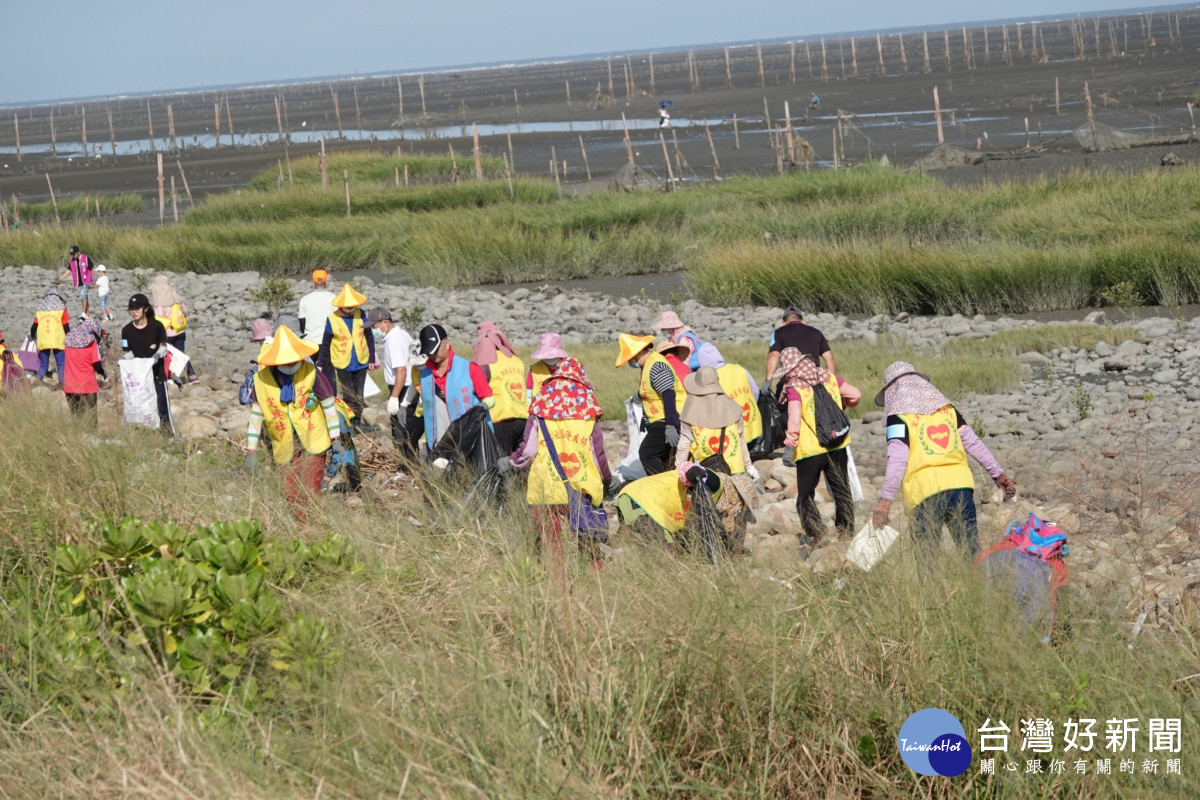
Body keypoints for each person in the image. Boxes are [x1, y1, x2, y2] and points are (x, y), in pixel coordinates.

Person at [871, 362, 1017, 561]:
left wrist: (885, 501)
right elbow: (973, 443)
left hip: (925, 494)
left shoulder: (898, 418)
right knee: (972, 556)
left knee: (927, 561)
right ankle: (980, 589)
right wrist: (999, 476)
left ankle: (935, 593)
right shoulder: (947, 410)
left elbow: (897, 459)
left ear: (892, 391)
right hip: (961, 489)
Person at [503, 357, 611, 564]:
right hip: (582, 486)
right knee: (589, 545)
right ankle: (595, 590)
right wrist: (606, 479)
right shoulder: (588, 405)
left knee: (553, 547)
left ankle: (557, 589)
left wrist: (512, 462)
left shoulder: (541, 401)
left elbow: (528, 450)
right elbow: (598, 455)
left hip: (545, 487)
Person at [243, 326, 346, 517]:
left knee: (311, 490)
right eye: (287, 362)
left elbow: (328, 406)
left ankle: (313, 529)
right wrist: (251, 452)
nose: (292, 365)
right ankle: (300, 532)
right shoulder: (260, 380)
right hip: (283, 444)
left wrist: (336, 440)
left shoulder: (311, 372)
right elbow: (256, 416)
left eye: (295, 361)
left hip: (313, 439)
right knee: (291, 493)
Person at [775, 347, 854, 543]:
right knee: (841, 489)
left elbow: (794, 417)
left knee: (805, 495)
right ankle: (845, 533)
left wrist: (790, 440)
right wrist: (844, 406)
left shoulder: (794, 386)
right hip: (837, 443)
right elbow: (855, 394)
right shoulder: (829, 377)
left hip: (810, 450)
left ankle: (817, 535)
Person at [674, 367, 760, 545]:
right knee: (736, 512)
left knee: (707, 514)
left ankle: (712, 552)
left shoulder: (690, 412)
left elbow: (684, 444)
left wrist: (678, 467)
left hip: (707, 474)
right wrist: (748, 465)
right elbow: (741, 440)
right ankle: (734, 550)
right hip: (735, 472)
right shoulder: (733, 408)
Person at [416, 323, 493, 455]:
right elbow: (428, 410)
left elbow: (489, 398)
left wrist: (482, 406)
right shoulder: (424, 375)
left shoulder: (469, 368)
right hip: (439, 444)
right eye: (428, 351)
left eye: (435, 349)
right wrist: (429, 443)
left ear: (446, 343)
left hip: (470, 440)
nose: (432, 354)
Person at [614, 332, 685, 477]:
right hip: (658, 421)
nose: (630, 363)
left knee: (648, 453)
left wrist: (671, 425)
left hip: (667, 419)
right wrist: (641, 406)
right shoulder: (647, 366)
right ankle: (671, 487)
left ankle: (662, 486)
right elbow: (650, 392)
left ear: (639, 352)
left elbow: (668, 393)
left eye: (630, 358)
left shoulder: (656, 365)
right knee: (666, 459)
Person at [318, 284, 376, 432]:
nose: (351, 309)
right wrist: (320, 363)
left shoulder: (361, 314)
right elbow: (326, 343)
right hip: (343, 362)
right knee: (349, 394)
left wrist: (371, 358)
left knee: (360, 394)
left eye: (353, 306)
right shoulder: (332, 319)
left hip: (361, 361)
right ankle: (349, 423)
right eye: (348, 306)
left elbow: (369, 336)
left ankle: (357, 421)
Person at [366, 306, 416, 458]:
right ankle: (409, 462)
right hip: (408, 387)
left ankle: (405, 465)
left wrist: (394, 397)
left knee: (401, 431)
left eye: (374, 327)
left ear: (385, 322)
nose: (373, 331)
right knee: (408, 429)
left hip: (402, 389)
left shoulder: (393, 341)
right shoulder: (402, 334)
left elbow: (401, 370)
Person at [472, 321, 527, 455]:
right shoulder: (516, 360)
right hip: (523, 418)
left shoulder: (485, 364)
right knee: (520, 462)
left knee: (501, 462)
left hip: (500, 419)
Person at [121, 292, 171, 430]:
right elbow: (129, 352)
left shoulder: (157, 326)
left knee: (162, 406)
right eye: (131, 309)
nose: (133, 312)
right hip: (139, 376)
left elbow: (163, 346)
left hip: (156, 374)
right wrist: (123, 359)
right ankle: (142, 432)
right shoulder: (126, 330)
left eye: (137, 308)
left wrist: (156, 356)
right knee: (138, 406)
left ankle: (167, 433)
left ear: (146, 309)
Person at [764, 307, 835, 391]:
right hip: (814, 379)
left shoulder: (777, 333)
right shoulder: (816, 332)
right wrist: (831, 382)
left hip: (791, 381)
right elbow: (829, 357)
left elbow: (773, 355)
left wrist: (768, 381)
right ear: (802, 321)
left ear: (783, 323)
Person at [150, 274, 197, 384]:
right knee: (181, 353)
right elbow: (185, 311)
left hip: (167, 334)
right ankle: (192, 375)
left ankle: (168, 376)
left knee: (166, 355)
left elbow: (158, 320)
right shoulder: (176, 300)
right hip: (180, 331)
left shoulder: (159, 305)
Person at [62, 317, 107, 423]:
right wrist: (104, 373)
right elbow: (96, 365)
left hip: (70, 386)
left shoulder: (68, 342)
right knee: (91, 418)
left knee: (76, 418)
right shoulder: (91, 344)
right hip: (87, 386)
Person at [653, 310, 725, 371]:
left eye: (664, 329)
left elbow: (685, 361)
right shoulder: (677, 337)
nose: (662, 330)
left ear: (671, 328)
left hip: (706, 367)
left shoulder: (684, 339)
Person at [715, 361, 763, 448]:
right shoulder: (739, 369)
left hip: (730, 434)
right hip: (754, 427)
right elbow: (755, 392)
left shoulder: (713, 376)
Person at [31, 289, 70, 383]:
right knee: (61, 363)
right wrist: (68, 338)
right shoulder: (61, 308)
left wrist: (33, 337)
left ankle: (37, 381)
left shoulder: (41, 308)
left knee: (44, 364)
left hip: (44, 339)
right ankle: (62, 383)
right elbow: (66, 326)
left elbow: (34, 326)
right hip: (58, 339)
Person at [526, 332, 568, 402]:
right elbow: (529, 395)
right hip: (541, 409)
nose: (549, 358)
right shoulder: (534, 370)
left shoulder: (573, 367)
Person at [298, 269, 336, 345]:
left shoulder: (304, 299)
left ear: (313, 282)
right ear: (327, 282)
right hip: (330, 341)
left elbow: (302, 322)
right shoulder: (335, 298)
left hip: (310, 342)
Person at [57, 245, 94, 318]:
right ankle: (88, 316)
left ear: (78, 252)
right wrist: (60, 279)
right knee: (84, 299)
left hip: (86, 282)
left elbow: (91, 268)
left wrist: (95, 280)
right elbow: (68, 271)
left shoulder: (85, 258)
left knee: (84, 297)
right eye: (72, 254)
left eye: (74, 254)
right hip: (78, 283)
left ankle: (83, 315)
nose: (73, 255)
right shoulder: (72, 261)